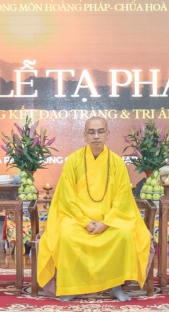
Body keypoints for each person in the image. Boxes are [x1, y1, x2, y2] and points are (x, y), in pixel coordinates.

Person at [37, 116, 150, 301]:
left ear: (107, 134)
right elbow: (67, 198)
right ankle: (71, 288)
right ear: (85, 136)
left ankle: (115, 286)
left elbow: (122, 199)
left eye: (100, 131)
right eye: (91, 132)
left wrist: (105, 223)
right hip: (76, 220)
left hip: (110, 221)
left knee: (123, 235)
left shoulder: (117, 163)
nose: (96, 136)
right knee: (66, 236)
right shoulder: (73, 161)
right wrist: (85, 223)